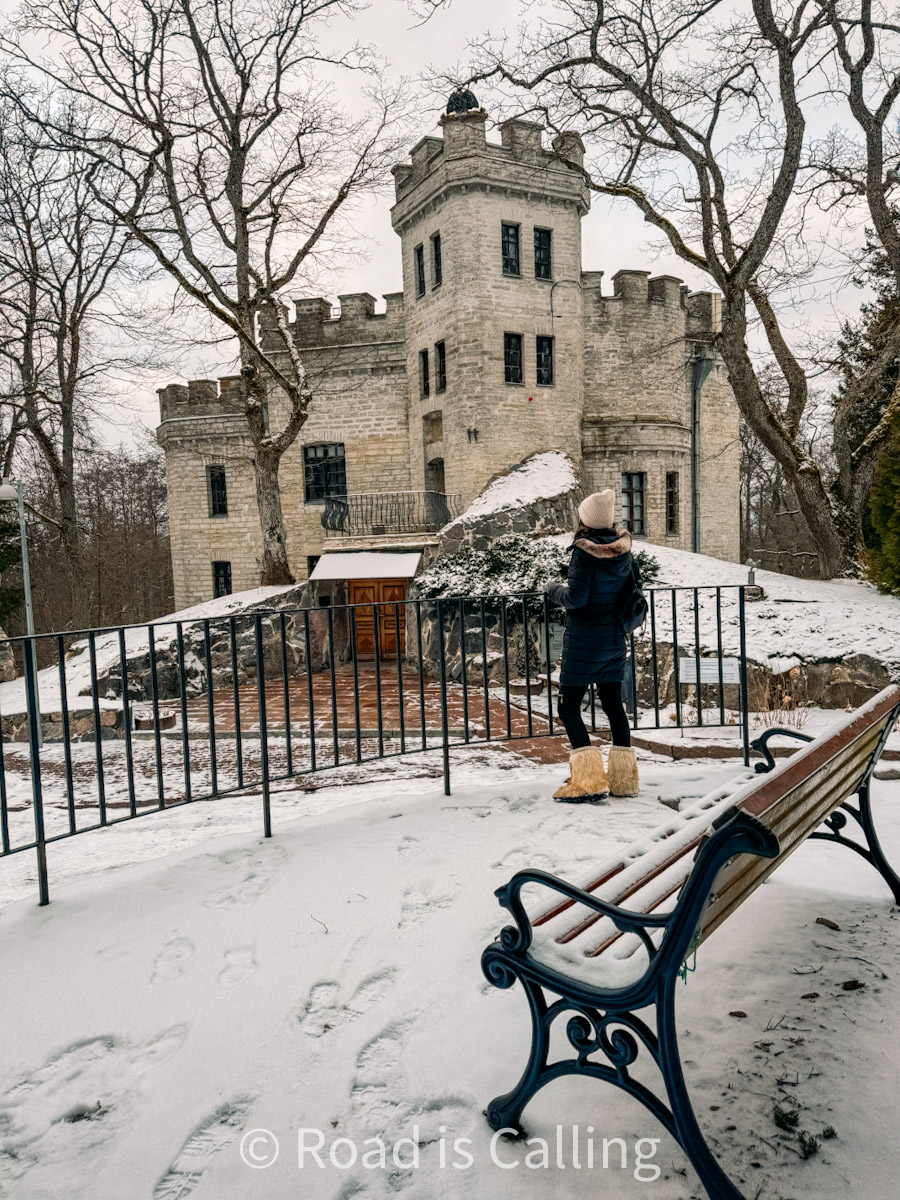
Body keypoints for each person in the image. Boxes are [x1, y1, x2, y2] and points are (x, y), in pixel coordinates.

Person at [544, 488, 640, 801]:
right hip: (613, 639)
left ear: (586, 519)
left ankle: (587, 781)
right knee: (613, 705)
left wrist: (553, 589)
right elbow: (629, 589)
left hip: (584, 642)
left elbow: (576, 598)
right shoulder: (623, 550)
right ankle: (624, 780)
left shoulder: (583, 552)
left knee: (568, 707)